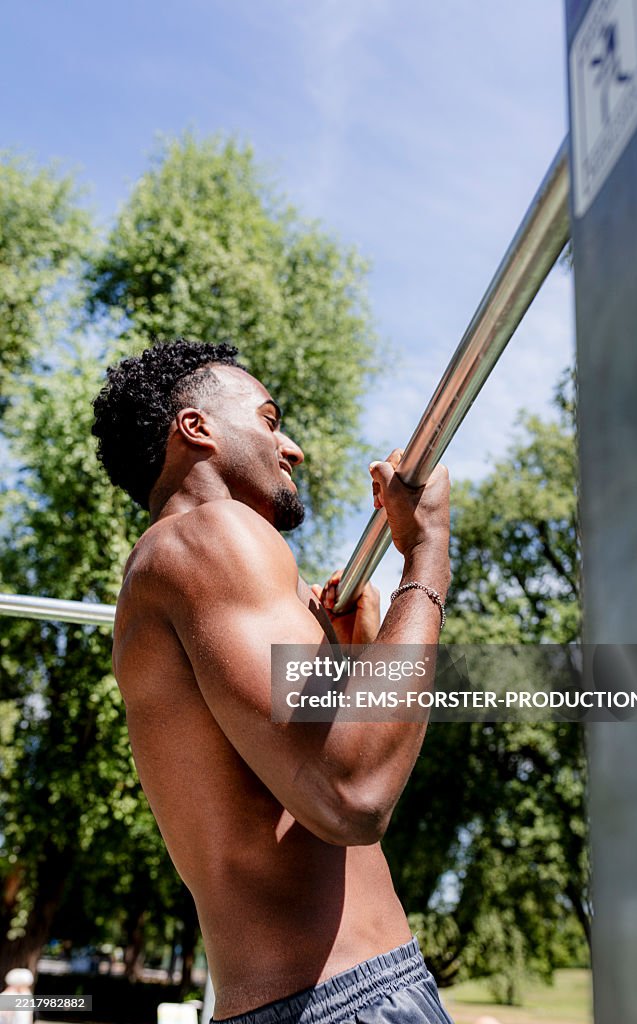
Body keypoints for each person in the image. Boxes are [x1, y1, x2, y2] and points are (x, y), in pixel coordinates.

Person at [92, 338, 453, 1023]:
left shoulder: (162, 567)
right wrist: (426, 553)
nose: (292, 448)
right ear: (196, 428)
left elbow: (296, 791)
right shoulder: (208, 534)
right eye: (268, 419)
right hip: (344, 1003)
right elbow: (353, 795)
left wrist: (349, 663)